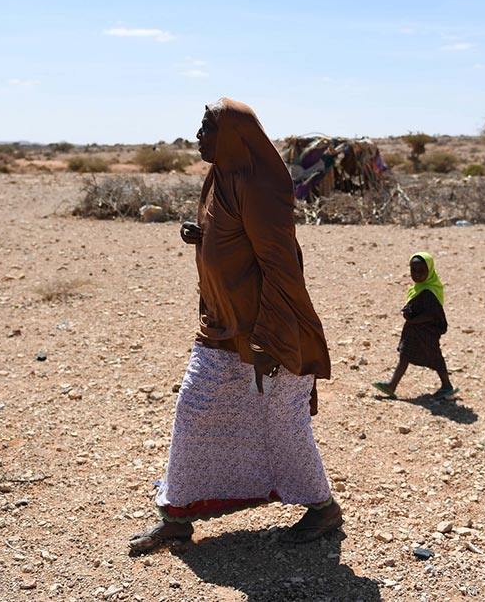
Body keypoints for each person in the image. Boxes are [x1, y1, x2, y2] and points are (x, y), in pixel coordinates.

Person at [128, 98, 342, 554]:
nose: (197, 135)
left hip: (267, 332)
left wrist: (268, 335)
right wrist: (203, 236)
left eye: (207, 127)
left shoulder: (258, 185)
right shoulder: (220, 177)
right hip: (223, 326)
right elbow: (234, 238)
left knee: (282, 422)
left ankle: (322, 508)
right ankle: (177, 516)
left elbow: (280, 266)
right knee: (196, 409)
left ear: (232, 136)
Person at [372, 252, 457, 399]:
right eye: (413, 270)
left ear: (429, 271)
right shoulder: (417, 288)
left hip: (426, 332)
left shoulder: (430, 291)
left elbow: (433, 314)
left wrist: (413, 320)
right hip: (414, 332)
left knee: (435, 357)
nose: (417, 274)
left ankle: (447, 386)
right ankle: (391, 385)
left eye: (421, 271)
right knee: (405, 355)